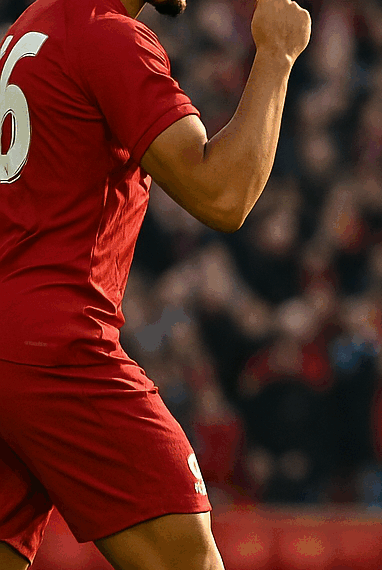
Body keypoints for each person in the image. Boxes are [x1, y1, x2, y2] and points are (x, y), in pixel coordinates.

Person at [0, 0, 310, 567]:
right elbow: (222, 194)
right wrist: (276, 53)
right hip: (57, 349)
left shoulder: (32, 24)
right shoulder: (110, 38)